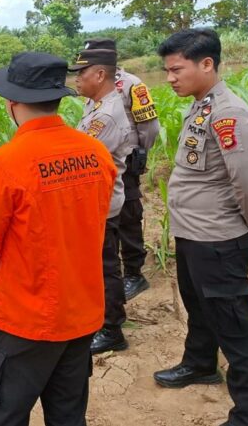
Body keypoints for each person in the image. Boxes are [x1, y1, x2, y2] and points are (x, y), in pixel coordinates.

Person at [0, 52, 117, 426]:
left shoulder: (5, 162)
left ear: (12, 102)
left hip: (21, 322)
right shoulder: (96, 153)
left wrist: (5, 292)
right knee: (68, 416)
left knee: (2, 417)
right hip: (80, 313)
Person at [152, 28, 248, 426]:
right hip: (194, 234)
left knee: (237, 328)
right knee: (200, 307)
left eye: (177, 69)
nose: (170, 78)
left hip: (217, 239)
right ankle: (199, 363)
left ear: (207, 64)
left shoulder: (229, 113)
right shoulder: (202, 105)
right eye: (167, 70)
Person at [84, 38, 161, 300]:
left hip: (124, 159)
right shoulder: (97, 87)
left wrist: (139, 154)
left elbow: (149, 126)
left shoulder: (132, 84)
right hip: (104, 160)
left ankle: (133, 273)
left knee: (128, 214)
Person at [70, 46, 132, 355]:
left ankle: (112, 328)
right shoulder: (95, 106)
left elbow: (82, 156)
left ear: (100, 74)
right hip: (94, 201)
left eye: (81, 73)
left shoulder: (106, 114)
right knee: (96, 263)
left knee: (106, 265)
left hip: (102, 202)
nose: (77, 80)